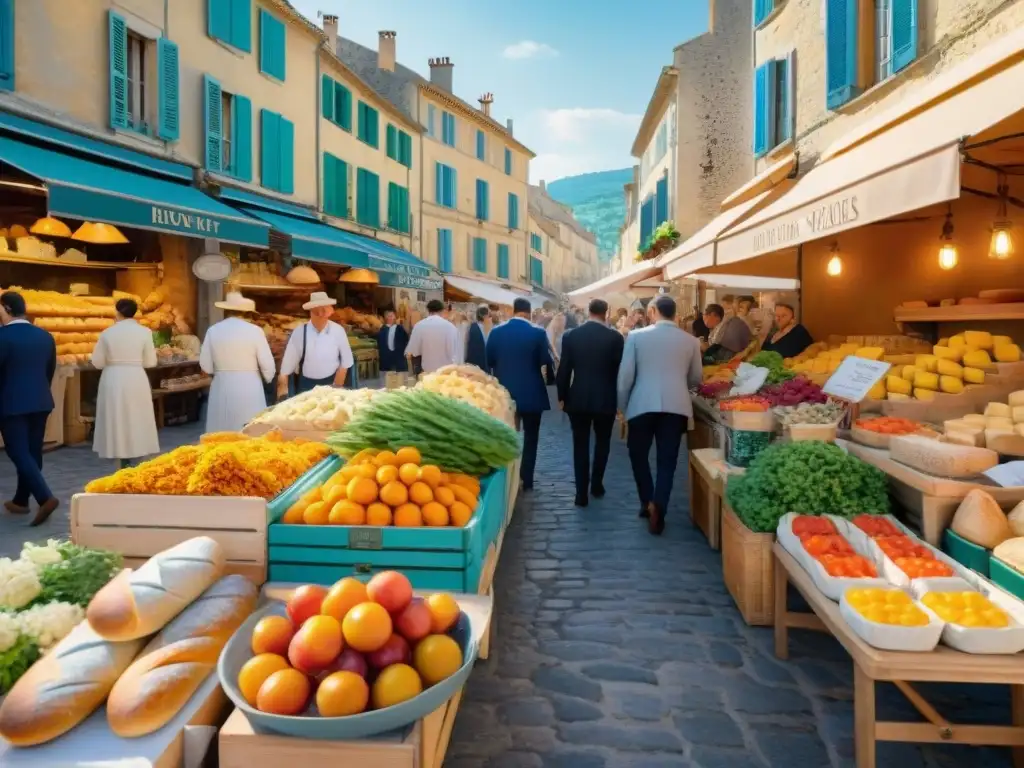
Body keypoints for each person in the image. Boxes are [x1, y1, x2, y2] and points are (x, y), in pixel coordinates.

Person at [617, 295, 703, 535]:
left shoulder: (636, 337)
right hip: (676, 406)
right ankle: (660, 506)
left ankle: (647, 501)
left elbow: (625, 378)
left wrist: (622, 407)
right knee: (668, 460)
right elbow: (696, 378)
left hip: (641, 405)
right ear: (675, 313)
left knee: (638, 455)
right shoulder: (690, 341)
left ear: (653, 311)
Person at [556, 298, 624, 507]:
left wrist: (562, 396)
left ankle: (580, 493)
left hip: (578, 398)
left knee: (580, 445)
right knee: (603, 442)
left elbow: (564, 369)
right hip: (605, 398)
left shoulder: (572, 336)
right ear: (606, 312)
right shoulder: (615, 338)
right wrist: (620, 401)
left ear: (588, 311)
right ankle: (596, 483)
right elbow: (619, 372)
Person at [0, 291, 59, 525]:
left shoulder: (3, 337)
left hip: (11, 402)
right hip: (40, 401)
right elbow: (49, 370)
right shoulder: (45, 336)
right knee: (33, 451)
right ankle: (21, 500)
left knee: (17, 451)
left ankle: (45, 497)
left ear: (5, 308)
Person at [487, 297, 553, 491]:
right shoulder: (538, 333)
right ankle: (527, 478)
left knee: (507, 435)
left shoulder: (496, 332)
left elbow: (489, 360)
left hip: (504, 393)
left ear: (513, 310)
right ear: (529, 312)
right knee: (531, 437)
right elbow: (544, 361)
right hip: (532, 392)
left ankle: (508, 476)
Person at [91, 298, 159, 468]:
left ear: (117, 312)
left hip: (113, 377)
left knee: (117, 416)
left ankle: (121, 456)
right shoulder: (145, 332)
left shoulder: (107, 333)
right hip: (136, 377)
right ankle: (139, 450)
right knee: (137, 415)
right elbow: (151, 362)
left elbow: (97, 362)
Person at [201, 292, 276, 433]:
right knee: (249, 430)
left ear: (226, 311)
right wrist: (268, 377)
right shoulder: (255, 331)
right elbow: (267, 364)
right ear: (248, 313)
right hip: (249, 385)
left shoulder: (213, 330)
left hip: (222, 385)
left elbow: (206, 365)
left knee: (221, 430)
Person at [278, 292, 354, 397]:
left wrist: (336, 387)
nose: (321, 315)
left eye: (324, 311)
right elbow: (286, 367)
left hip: (331, 385)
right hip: (306, 387)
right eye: (317, 312)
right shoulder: (300, 332)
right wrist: (282, 392)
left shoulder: (338, 331)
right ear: (311, 312)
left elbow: (346, 361)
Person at [406, 299, 458, 374]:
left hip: (427, 371)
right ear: (442, 310)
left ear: (428, 310)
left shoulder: (419, 325)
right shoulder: (451, 327)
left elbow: (414, 351)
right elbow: (455, 352)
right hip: (446, 371)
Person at [465, 305, 491, 371]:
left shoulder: (471, 327)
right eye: (489, 316)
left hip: (480, 364)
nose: (490, 318)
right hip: (475, 364)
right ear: (485, 316)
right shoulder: (471, 328)